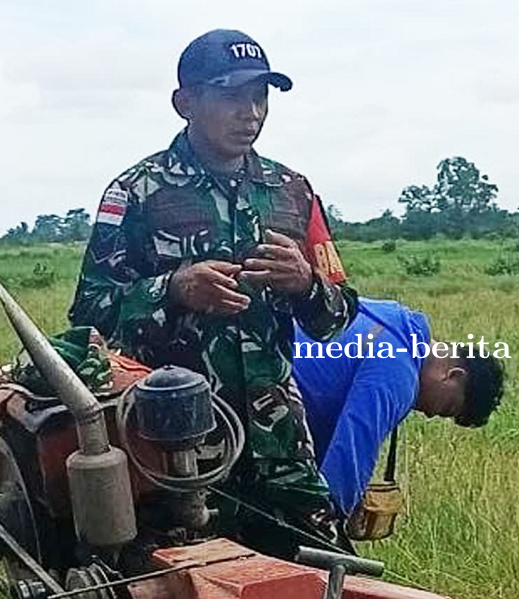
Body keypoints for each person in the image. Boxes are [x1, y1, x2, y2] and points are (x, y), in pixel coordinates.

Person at [67, 29, 358, 555]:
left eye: (260, 96)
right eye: (231, 95)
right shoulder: (137, 192)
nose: (251, 112)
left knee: (328, 575)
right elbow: (89, 314)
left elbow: (335, 317)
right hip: (172, 450)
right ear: (186, 103)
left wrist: (306, 285)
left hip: (278, 448)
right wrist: (172, 290)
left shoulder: (292, 191)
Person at [292, 298, 505, 516]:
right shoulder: (400, 373)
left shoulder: (390, 318)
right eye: (446, 408)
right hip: (265, 398)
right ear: (453, 376)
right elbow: (352, 450)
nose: (431, 414)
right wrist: (328, 519)